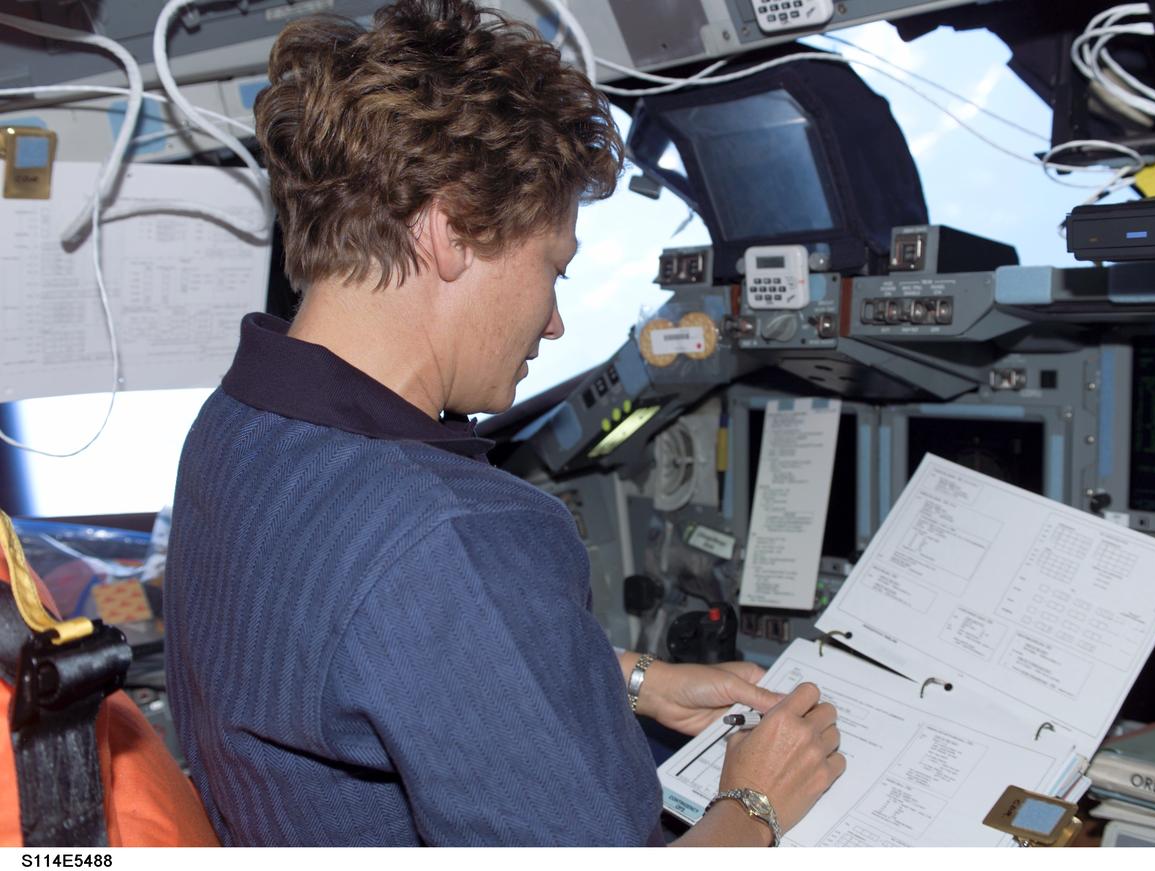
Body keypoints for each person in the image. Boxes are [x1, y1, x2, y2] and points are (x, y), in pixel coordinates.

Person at [164, 0, 844, 847]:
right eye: (551, 267)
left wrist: (631, 679)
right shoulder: (452, 531)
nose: (554, 321)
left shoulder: (233, 429)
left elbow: (364, 657)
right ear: (448, 233)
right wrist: (755, 802)